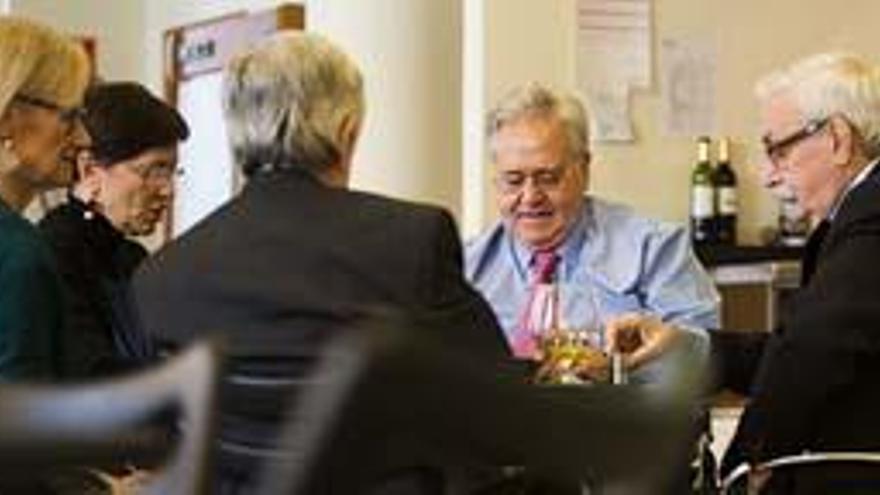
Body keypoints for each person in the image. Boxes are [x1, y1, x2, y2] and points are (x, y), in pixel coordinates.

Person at [133, 31, 507, 493]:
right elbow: (497, 402)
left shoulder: (161, 277)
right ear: (348, 131)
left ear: (235, 133)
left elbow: (160, 442)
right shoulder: (411, 240)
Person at [606, 52, 880, 492]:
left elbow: (811, 354)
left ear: (838, 138)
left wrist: (741, 464)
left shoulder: (871, 216)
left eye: (778, 149)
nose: (769, 176)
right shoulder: (857, 214)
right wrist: (686, 347)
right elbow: (790, 350)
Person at [465, 82, 719, 381]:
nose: (530, 196)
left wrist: (619, 371)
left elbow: (706, 358)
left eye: (548, 178)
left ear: (584, 168)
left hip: (621, 422)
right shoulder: (467, 266)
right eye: (513, 180)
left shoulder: (654, 248)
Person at [39, 81, 189, 379]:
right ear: (90, 170)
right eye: (153, 172)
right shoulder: (52, 253)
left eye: (172, 172)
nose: (168, 191)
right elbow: (90, 375)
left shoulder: (132, 257)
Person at [0, 16, 90, 381]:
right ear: (6, 120)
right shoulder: (18, 254)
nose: (84, 138)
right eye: (70, 117)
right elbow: (21, 428)